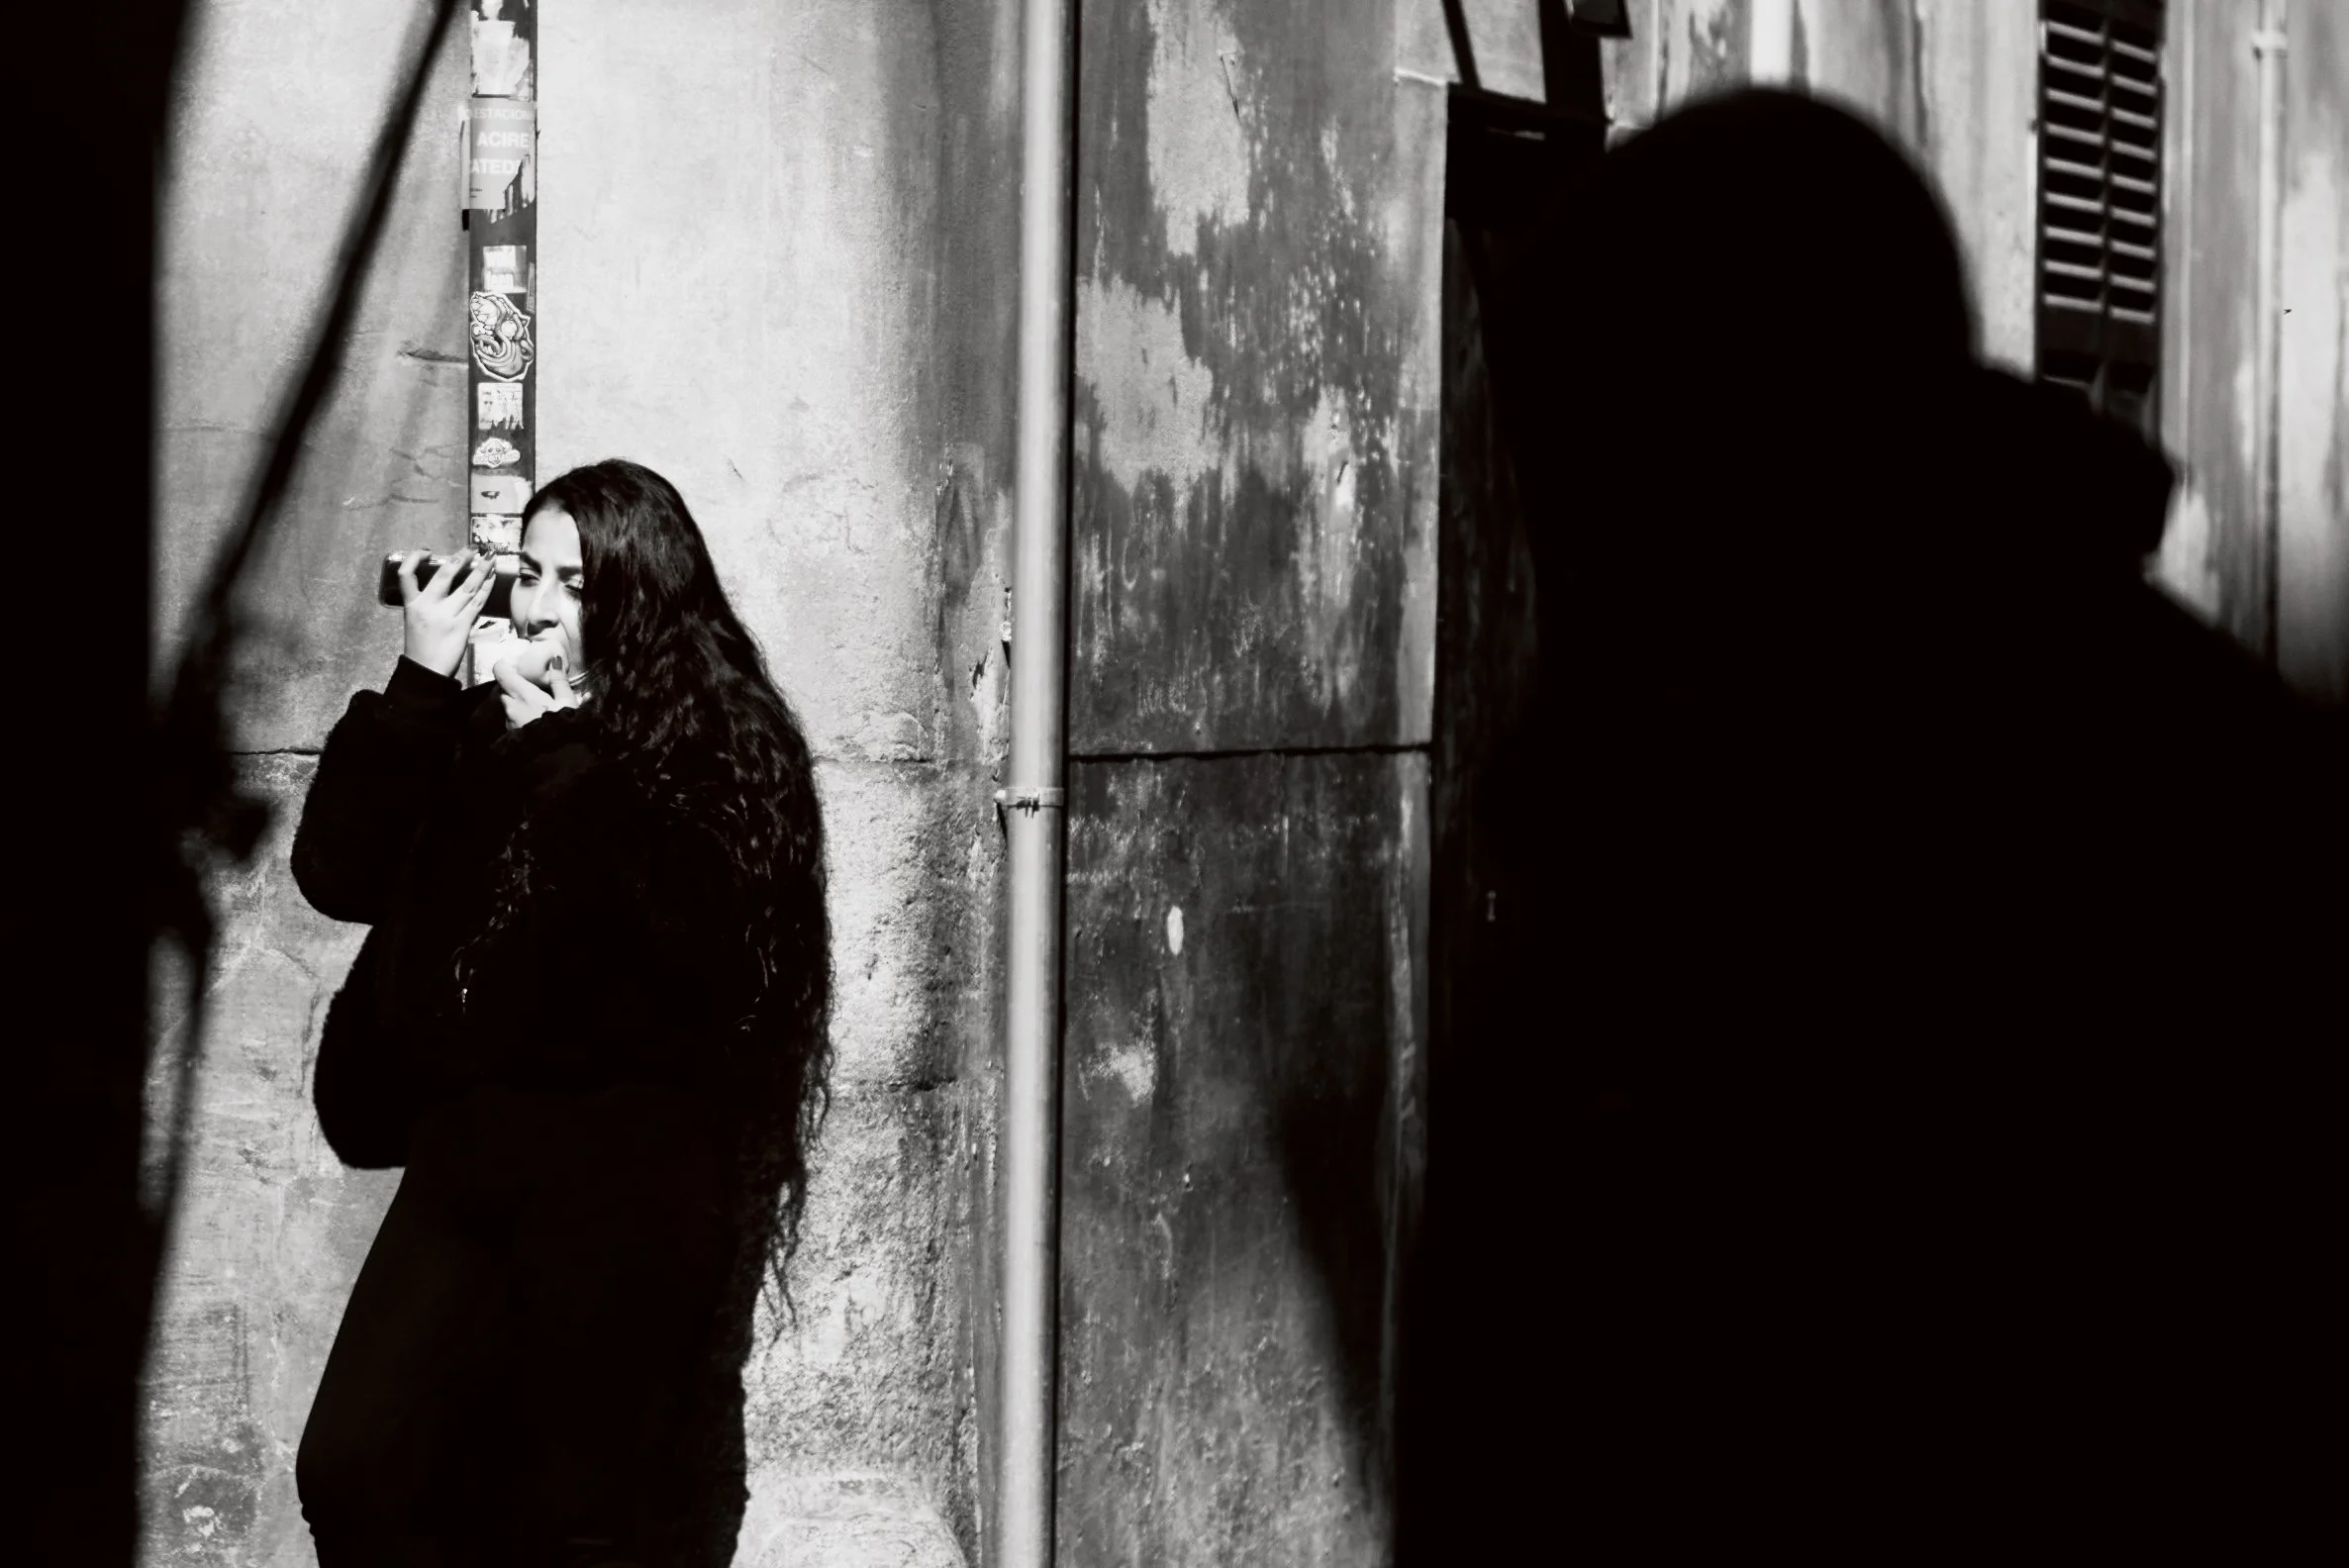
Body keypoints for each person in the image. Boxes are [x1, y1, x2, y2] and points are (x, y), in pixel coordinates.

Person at [290, 459, 832, 1568]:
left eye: (571, 583)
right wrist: (420, 686)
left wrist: (567, 760)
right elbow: (339, 874)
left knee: (579, 1522)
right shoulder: (485, 720)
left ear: (636, 597)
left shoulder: (720, 739)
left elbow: (688, 962)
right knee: (355, 1465)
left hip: (624, 1182)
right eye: (528, 573)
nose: (535, 605)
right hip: (465, 1168)